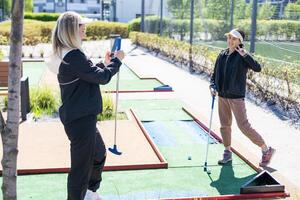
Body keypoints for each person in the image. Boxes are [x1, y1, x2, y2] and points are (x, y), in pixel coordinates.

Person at [47, 11, 124, 200]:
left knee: (98, 154)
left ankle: (90, 193)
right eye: (82, 27)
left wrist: (104, 63)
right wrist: (117, 61)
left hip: (82, 118)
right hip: (79, 120)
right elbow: (101, 77)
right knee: (80, 170)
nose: (85, 30)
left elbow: (86, 73)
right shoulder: (73, 55)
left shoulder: (71, 54)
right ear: (73, 30)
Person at [209, 28, 275, 167]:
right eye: (229, 38)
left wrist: (246, 55)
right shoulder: (222, 54)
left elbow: (257, 68)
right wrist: (212, 86)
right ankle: (227, 152)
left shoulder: (242, 56)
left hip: (236, 97)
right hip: (222, 96)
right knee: (224, 126)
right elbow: (214, 75)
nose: (230, 41)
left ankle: (265, 149)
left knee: (244, 126)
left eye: (234, 38)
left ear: (240, 41)